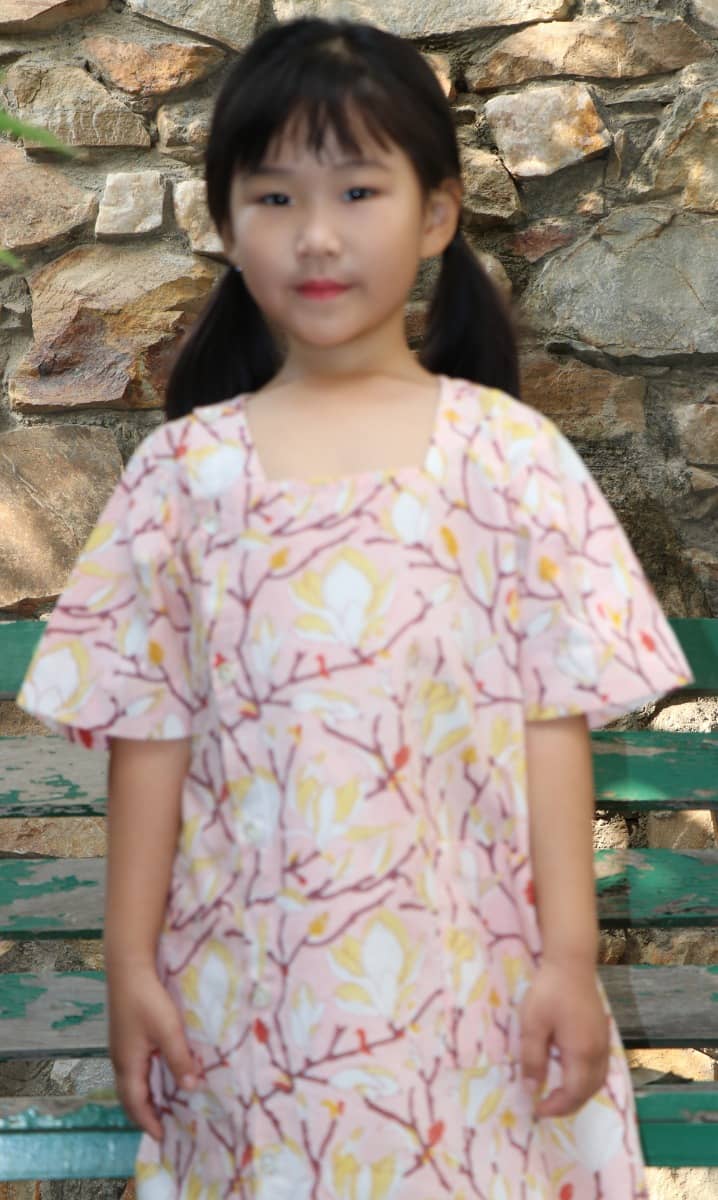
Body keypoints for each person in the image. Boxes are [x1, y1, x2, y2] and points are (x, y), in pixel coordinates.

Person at [17, 16, 693, 1200]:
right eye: (274, 197)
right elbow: (147, 736)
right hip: (247, 1011)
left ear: (435, 214)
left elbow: (551, 727)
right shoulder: (183, 478)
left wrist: (567, 961)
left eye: (359, 191)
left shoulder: (509, 461)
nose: (317, 234)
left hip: (475, 1002)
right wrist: (130, 966)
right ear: (226, 225)